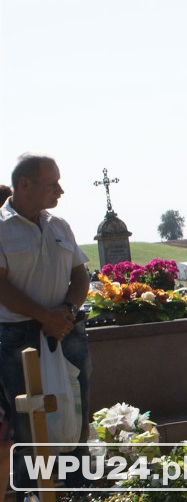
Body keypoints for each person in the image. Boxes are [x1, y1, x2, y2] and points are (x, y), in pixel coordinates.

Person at [0, 154, 92, 491]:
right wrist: (44, 317)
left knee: (77, 414)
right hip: (19, 337)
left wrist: (65, 311)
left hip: (66, 331)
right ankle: (34, 494)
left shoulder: (59, 225)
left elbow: (79, 275)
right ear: (25, 185)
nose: (61, 190)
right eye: (51, 183)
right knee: (28, 425)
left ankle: (78, 491)